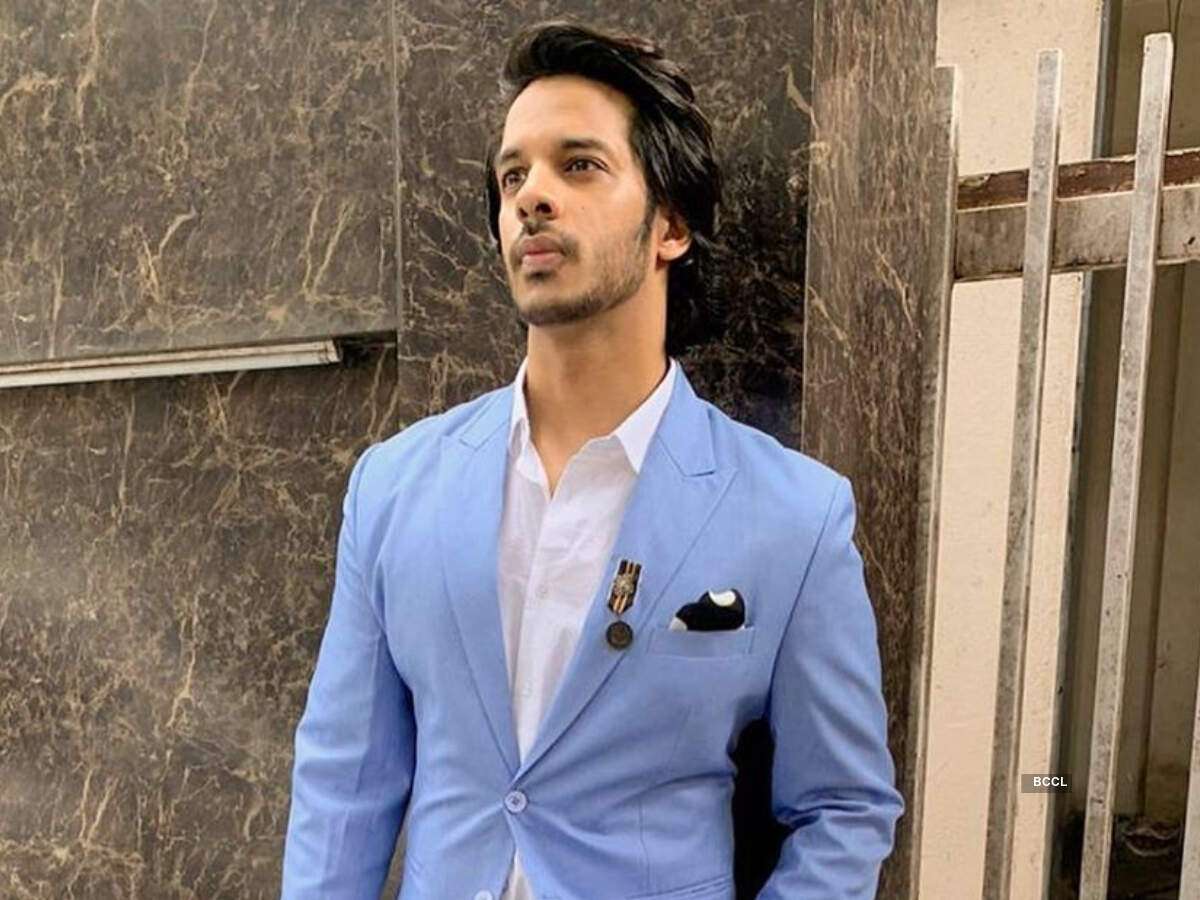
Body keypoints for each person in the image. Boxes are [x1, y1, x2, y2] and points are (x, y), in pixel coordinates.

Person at [281, 17, 903, 900]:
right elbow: (343, 785)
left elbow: (842, 807)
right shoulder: (393, 487)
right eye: (513, 175)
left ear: (670, 226)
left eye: (579, 166)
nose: (532, 196)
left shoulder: (793, 514)